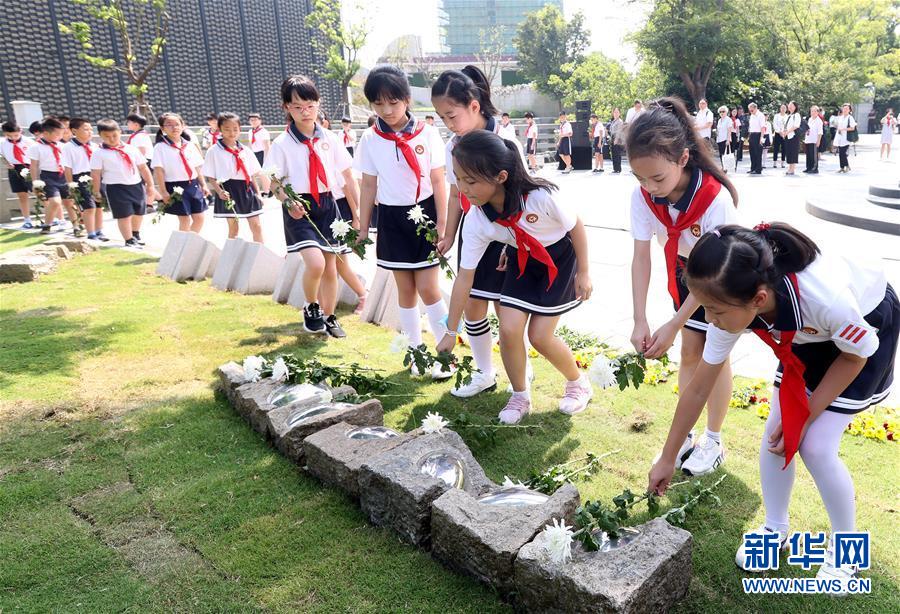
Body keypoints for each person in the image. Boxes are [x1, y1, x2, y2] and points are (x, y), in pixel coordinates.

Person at [648, 223, 898, 592]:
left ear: (759, 299)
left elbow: (855, 356)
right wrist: (668, 458)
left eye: (714, 310)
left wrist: (806, 416)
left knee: (816, 447)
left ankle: (848, 554)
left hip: (861, 330)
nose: (710, 320)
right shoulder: (734, 299)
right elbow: (699, 387)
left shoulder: (826, 300)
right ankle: (775, 528)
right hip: (808, 334)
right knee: (775, 435)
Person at [436, 130, 593, 423]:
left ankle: (577, 383)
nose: (463, 188)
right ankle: (520, 395)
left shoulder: (540, 197)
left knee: (540, 337)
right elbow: (465, 278)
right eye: (458, 179)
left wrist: (584, 272)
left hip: (558, 260)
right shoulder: (477, 219)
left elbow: (576, 227)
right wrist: (450, 330)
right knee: (508, 329)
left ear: (501, 177)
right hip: (521, 259)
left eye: (471, 181)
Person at [627, 97, 739, 476]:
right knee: (690, 351)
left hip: (722, 275)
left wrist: (674, 323)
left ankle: (714, 440)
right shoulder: (644, 196)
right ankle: (686, 435)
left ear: (683, 158)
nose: (649, 187)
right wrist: (640, 319)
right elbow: (641, 257)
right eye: (640, 178)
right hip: (685, 271)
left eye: (657, 178)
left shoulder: (714, 199)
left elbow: (715, 275)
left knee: (715, 354)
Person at [432, 65, 525, 397]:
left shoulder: (505, 140)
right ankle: (484, 372)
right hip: (474, 232)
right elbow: (455, 193)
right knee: (473, 302)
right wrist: (448, 233)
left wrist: (512, 244)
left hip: (508, 234)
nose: (448, 124)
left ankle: (521, 372)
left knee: (506, 307)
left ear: (474, 106)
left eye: (451, 115)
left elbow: (521, 194)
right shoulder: (453, 146)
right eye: (442, 118)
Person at [356, 65, 451, 377]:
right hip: (392, 219)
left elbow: (438, 180)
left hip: (425, 215)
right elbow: (368, 185)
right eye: (378, 104)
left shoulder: (428, 133)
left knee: (429, 288)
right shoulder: (370, 138)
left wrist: (442, 224)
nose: (387, 110)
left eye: (393, 102)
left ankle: (445, 354)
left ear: (407, 99)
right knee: (405, 290)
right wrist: (362, 228)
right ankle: (416, 354)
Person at [268, 75, 357, 338]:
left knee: (331, 267)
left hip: (328, 205)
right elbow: (273, 181)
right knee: (316, 263)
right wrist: (288, 201)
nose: (305, 112)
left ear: (319, 103)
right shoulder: (281, 144)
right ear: (286, 107)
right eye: (297, 107)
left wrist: (358, 214)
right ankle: (311, 305)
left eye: (310, 105)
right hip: (299, 207)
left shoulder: (330, 138)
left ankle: (330, 317)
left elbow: (348, 176)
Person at [90, 119, 158, 248]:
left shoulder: (131, 149)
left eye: (114, 135)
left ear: (120, 132)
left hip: (136, 185)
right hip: (116, 187)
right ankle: (128, 239)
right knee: (124, 214)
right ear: (100, 136)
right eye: (107, 136)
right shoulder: (99, 153)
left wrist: (150, 185)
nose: (111, 139)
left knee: (139, 212)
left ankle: (135, 234)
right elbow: (96, 173)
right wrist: (96, 190)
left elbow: (143, 168)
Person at [202, 112, 265, 242]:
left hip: (247, 189)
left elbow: (251, 174)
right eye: (227, 129)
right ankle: (232, 253)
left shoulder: (245, 150)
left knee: (257, 226)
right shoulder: (214, 151)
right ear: (220, 129)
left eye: (235, 129)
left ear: (240, 129)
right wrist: (219, 191)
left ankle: (260, 252)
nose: (232, 133)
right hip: (228, 191)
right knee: (234, 228)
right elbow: (210, 176)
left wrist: (258, 194)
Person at [152, 112, 211, 234]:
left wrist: (204, 185)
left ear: (183, 126)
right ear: (162, 128)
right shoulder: (160, 147)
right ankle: (183, 243)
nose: (174, 127)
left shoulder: (189, 145)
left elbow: (197, 167)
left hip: (192, 185)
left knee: (199, 218)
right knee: (184, 219)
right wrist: (163, 191)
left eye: (177, 124)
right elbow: (159, 170)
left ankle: (189, 241)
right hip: (175, 187)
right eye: (169, 125)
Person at [62, 117, 107, 241]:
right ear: (74, 131)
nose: (90, 132)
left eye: (91, 129)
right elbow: (68, 168)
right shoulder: (68, 147)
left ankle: (99, 231)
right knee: (89, 207)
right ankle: (91, 233)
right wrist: (71, 185)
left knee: (99, 205)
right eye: (86, 129)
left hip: (96, 177)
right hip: (80, 178)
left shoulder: (95, 146)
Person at [27, 117, 73, 234]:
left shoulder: (62, 146)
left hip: (63, 175)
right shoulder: (36, 147)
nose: (61, 136)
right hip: (48, 177)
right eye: (58, 134)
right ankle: (47, 224)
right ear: (46, 133)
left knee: (70, 202)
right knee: (55, 202)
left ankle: (77, 226)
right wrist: (35, 182)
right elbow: (34, 166)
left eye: (62, 133)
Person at [1, 120, 36, 229]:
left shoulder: (28, 142)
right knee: (21, 195)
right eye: (9, 136)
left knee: (37, 191)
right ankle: (27, 220)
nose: (13, 138)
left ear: (20, 131)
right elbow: (3, 156)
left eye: (16, 135)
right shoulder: (2, 143)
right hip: (14, 169)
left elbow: (36, 156)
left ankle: (53, 217)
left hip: (28, 167)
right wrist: (7, 164)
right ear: (4, 134)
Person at [833, 103, 857, 173]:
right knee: (840, 153)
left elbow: (852, 128)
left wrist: (843, 129)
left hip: (847, 138)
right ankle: (842, 167)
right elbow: (838, 126)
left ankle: (847, 166)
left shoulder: (850, 118)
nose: (845, 110)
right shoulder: (840, 117)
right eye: (844, 108)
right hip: (840, 137)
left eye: (847, 109)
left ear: (849, 110)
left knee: (843, 152)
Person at [782, 101, 801, 176]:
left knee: (793, 152)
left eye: (791, 105)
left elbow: (796, 125)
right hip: (787, 136)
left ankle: (792, 169)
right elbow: (786, 125)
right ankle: (790, 168)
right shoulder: (789, 115)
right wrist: (784, 132)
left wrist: (787, 132)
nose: (789, 107)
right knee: (789, 152)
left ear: (795, 107)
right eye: (789, 105)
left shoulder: (796, 115)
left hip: (793, 136)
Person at [803, 105, 823, 174]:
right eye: (812, 111)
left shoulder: (819, 121)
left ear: (817, 112)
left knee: (814, 155)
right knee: (808, 155)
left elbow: (820, 132)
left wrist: (818, 141)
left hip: (814, 140)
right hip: (808, 139)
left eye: (814, 111)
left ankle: (814, 168)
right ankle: (808, 167)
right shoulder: (810, 119)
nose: (813, 112)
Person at [746, 102, 765, 174]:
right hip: (752, 135)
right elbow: (751, 127)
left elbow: (763, 127)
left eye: (752, 110)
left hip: (758, 135)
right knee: (752, 153)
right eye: (750, 110)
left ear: (755, 108)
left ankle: (758, 169)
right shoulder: (752, 115)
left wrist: (761, 138)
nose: (750, 111)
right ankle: (753, 168)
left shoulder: (760, 115)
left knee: (758, 153)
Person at [609, 107, 625, 173]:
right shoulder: (613, 121)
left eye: (617, 112)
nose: (616, 113)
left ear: (619, 113)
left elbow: (619, 131)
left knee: (617, 154)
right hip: (612, 137)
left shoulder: (620, 121)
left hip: (617, 138)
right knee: (613, 153)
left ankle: (618, 168)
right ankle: (615, 168)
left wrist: (616, 139)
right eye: (614, 112)